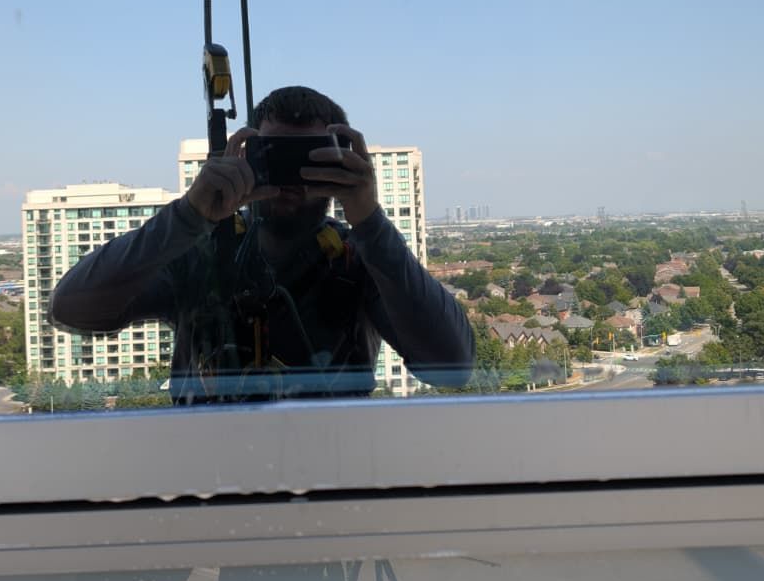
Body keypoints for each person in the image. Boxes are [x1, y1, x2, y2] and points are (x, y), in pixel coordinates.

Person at [49, 85, 474, 400]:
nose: (292, 181)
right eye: (276, 156)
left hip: (329, 488)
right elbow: (70, 309)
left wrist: (369, 220)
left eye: (310, 160)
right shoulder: (199, 253)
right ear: (246, 155)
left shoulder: (357, 261)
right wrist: (189, 215)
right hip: (214, 487)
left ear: (343, 163)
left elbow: (453, 366)